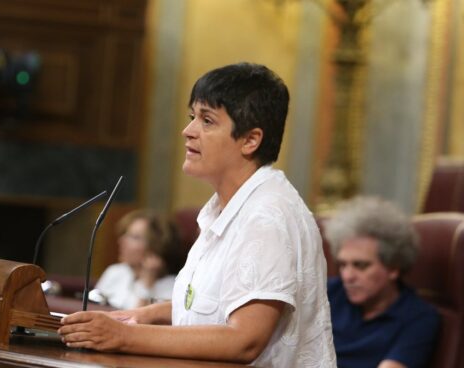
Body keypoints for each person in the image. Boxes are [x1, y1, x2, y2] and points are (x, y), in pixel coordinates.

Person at [58, 62, 336, 366]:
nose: (188, 131)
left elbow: (245, 341)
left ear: (250, 140)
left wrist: (122, 336)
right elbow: (213, 304)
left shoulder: (267, 218)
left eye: (207, 120)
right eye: (193, 117)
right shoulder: (229, 206)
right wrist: (143, 315)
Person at [324, 196, 440, 368]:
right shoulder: (328, 293)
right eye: (342, 265)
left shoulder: (418, 318)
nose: (347, 276)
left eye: (360, 265)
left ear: (393, 267)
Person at [92, 209, 182, 309]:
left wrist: (147, 284)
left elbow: (136, 322)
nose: (122, 241)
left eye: (135, 237)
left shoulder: (172, 287)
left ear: (155, 246)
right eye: (125, 234)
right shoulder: (115, 272)